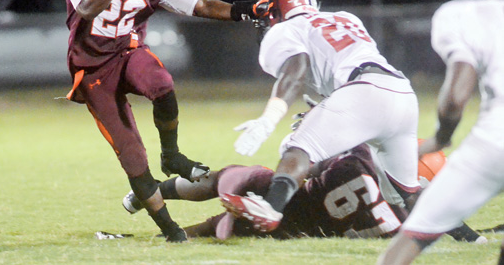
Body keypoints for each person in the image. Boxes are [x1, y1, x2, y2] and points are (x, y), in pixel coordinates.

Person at [54, 0, 256, 242]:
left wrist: (246, 9)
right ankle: (171, 230)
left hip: (128, 51)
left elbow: (201, 5)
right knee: (132, 156)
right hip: (92, 67)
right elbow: (87, 8)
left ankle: (172, 155)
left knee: (160, 81)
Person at [220, 0, 422, 233]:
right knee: (405, 193)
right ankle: (469, 238)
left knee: (297, 149)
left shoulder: (284, 30)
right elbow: (342, 61)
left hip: (364, 92)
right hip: (402, 92)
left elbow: (296, 71)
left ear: (276, 8)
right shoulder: (347, 18)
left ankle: (271, 208)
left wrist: (269, 118)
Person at [377, 0, 504, 264]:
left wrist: (440, 138)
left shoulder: (464, 14)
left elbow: (456, 95)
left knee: (409, 242)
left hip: (494, 143)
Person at [121, 142, 483, 242]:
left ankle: (151, 193)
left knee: (225, 178)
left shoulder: (357, 161)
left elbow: (306, 162)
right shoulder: (404, 225)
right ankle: (170, 233)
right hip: (295, 228)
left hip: (282, 196)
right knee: (210, 228)